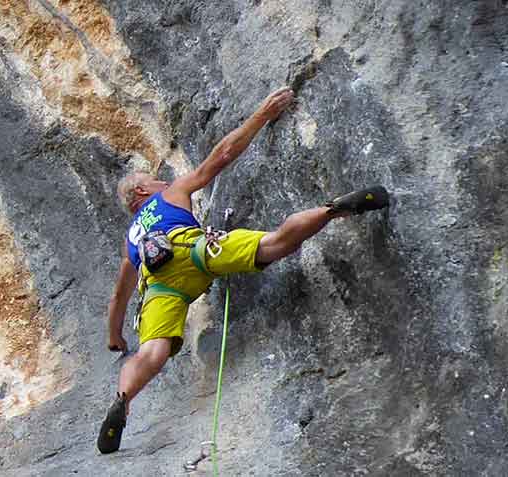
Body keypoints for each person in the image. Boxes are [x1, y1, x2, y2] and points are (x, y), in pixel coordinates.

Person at [97, 87, 389, 454]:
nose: (163, 181)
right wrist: (261, 115)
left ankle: (123, 399)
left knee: (150, 355)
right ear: (142, 190)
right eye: (155, 179)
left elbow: (119, 297)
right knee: (275, 243)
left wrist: (115, 338)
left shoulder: (130, 241)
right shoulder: (168, 195)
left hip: (162, 287)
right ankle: (334, 210)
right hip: (192, 247)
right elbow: (219, 157)